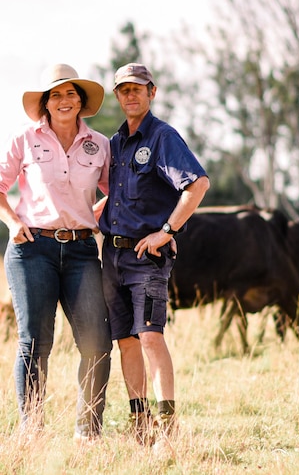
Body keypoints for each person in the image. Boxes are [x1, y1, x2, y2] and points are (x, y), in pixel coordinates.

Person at [0, 64, 112, 441]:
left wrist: (92, 214)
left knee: (97, 342)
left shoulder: (99, 145)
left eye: (71, 93)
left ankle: (88, 432)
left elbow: (115, 191)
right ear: (45, 103)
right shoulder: (24, 138)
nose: (64, 100)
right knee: (36, 341)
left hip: (82, 251)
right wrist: (11, 222)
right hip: (31, 249)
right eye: (56, 94)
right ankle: (32, 430)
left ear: (81, 101)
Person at [98, 63, 210, 446]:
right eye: (124, 90)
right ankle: (140, 422)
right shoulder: (114, 144)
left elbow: (197, 184)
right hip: (111, 257)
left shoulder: (162, 137)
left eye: (138, 89)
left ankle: (168, 425)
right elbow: (118, 195)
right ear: (117, 96)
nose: (131, 95)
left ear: (152, 92)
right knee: (126, 341)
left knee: (149, 337)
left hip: (145, 259)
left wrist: (167, 231)